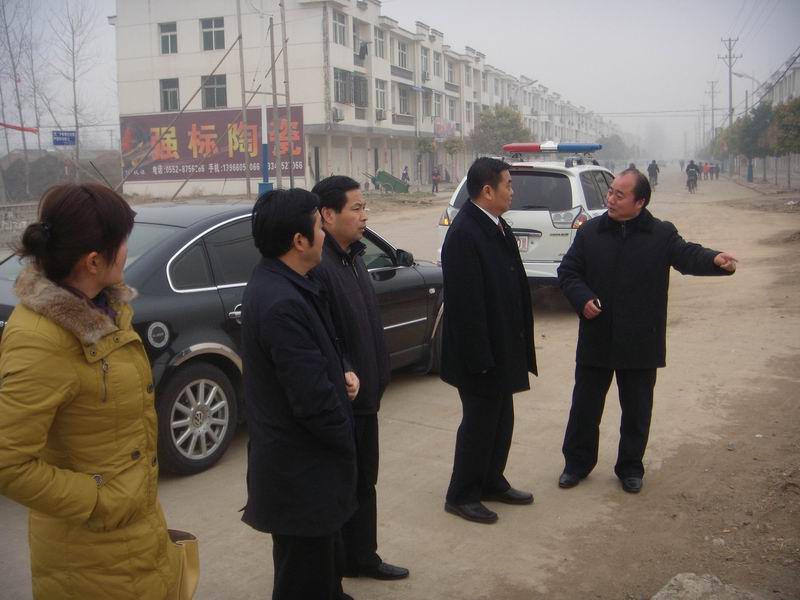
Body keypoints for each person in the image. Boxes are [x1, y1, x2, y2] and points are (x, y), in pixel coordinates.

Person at [0, 183, 180, 599]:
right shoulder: (42, 339)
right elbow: (8, 463)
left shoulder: (105, 310)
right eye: (123, 243)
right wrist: (100, 500)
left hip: (134, 538)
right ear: (94, 260)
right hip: (88, 559)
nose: (128, 253)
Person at [556, 169, 738, 494]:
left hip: (640, 338)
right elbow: (569, 271)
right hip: (598, 335)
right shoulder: (591, 232)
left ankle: (630, 467)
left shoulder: (661, 234)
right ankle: (576, 464)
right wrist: (582, 298)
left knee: (637, 409)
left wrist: (715, 259)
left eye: (619, 194)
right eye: (610, 192)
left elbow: (687, 255)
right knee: (585, 406)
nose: (610, 199)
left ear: (640, 202)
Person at [240, 188, 358, 600]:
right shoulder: (281, 302)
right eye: (318, 227)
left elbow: (315, 359)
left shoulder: (289, 283)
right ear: (299, 241)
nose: (325, 234)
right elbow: (311, 399)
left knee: (322, 569)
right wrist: (346, 436)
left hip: (305, 470)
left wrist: (341, 372)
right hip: (300, 473)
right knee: (303, 578)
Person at [311, 176, 409, 581]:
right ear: (327, 214)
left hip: (367, 396)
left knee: (365, 481)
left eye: (364, 207)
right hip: (345, 399)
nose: (365, 215)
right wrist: (347, 370)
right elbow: (326, 336)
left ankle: (362, 556)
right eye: (357, 208)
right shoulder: (320, 266)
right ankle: (341, 564)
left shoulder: (353, 257)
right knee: (344, 485)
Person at [440, 157, 537, 524]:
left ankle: (492, 480)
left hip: (502, 344)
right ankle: (462, 494)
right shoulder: (465, 233)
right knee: (479, 424)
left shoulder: (495, 224)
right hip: (480, 353)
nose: (512, 191)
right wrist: (480, 358)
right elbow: (466, 306)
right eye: (508, 184)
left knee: (501, 419)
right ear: (487, 191)